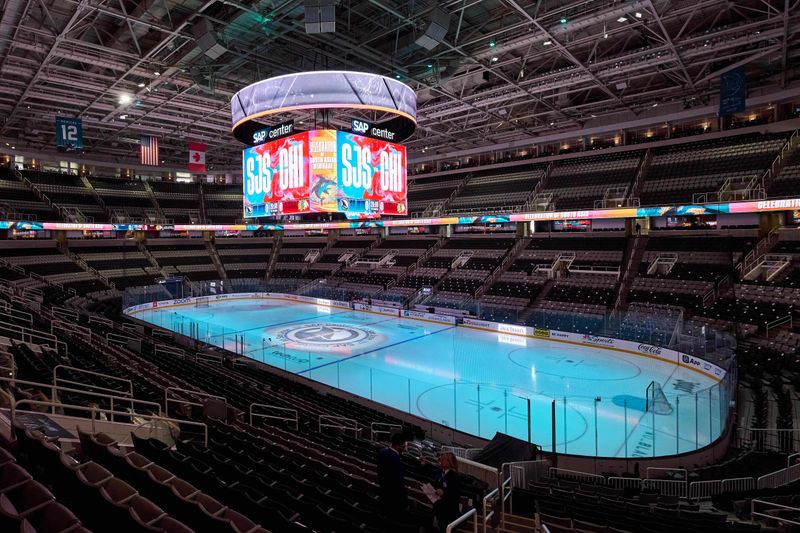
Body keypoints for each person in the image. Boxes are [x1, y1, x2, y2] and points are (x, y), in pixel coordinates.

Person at [376, 432, 408, 522]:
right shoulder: (397, 462)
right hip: (393, 497)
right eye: (403, 446)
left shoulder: (382, 452)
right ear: (398, 446)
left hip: (383, 489)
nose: (405, 448)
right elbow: (399, 484)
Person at [432, 452, 462, 531]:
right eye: (442, 459)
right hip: (438, 507)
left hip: (449, 511)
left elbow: (455, 496)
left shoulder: (455, 477)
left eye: (444, 459)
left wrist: (444, 493)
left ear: (450, 462)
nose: (441, 460)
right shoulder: (438, 471)